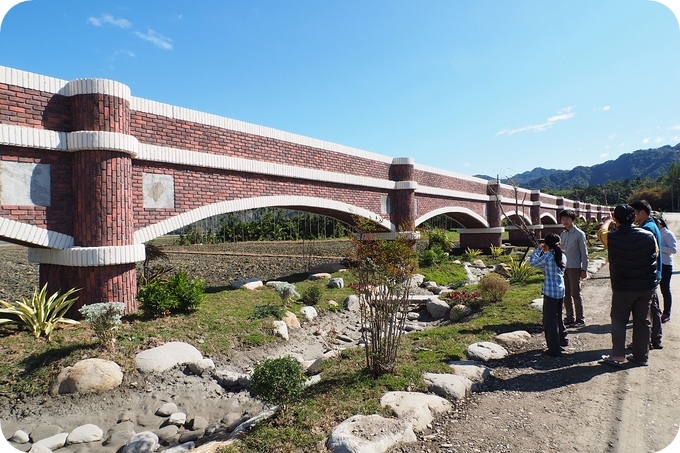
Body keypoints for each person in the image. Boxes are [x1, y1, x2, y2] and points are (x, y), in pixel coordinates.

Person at [597, 205, 658, 367]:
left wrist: (608, 221)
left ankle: (618, 355)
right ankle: (641, 357)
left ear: (617, 219)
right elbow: (655, 254)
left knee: (619, 320)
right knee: (643, 321)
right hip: (646, 287)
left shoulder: (612, 237)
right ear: (633, 218)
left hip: (623, 287)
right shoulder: (649, 235)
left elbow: (600, 233)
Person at [630, 200, 663, 349]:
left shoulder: (647, 229)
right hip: (654, 273)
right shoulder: (651, 226)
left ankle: (648, 340)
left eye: (635, 213)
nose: (633, 216)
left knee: (647, 310)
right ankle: (655, 339)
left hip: (648, 274)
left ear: (642, 212)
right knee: (654, 307)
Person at [529, 232, 568, 357]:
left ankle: (554, 349)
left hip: (550, 292)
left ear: (547, 244)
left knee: (549, 321)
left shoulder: (548, 257)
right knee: (558, 317)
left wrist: (538, 249)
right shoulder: (562, 256)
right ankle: (563, 340)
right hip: (560, 290)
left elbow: (533, 262)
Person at [559, 209, 589, 328]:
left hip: (574, 267)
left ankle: (580, 319)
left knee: (575, 293)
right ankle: (569, 317)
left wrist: (584, 269)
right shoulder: (563, 234)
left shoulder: (579, 234)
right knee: (565, 294)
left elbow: (584, 253)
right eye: (563, 219)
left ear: (573, 220)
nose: (565, 221)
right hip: (563, 267)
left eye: (567, 219)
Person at [655, 217, 677, 322]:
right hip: (656, 264)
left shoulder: (668, 234)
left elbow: (673, 250)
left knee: (665, 290)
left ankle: (666, 313)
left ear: (659, 223)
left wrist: (659, 247)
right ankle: (656, 311)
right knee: (653, 290)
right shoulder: (657, 233)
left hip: (666, 265)